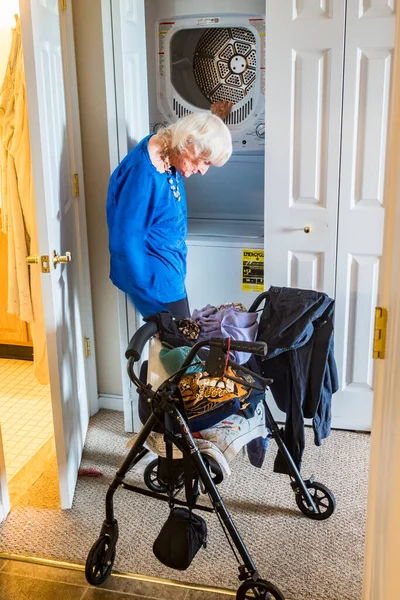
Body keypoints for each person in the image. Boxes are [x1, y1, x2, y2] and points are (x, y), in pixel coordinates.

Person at [106, 111, 233, 318]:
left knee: (183, 347)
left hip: (170, 281)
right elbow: (125, 244)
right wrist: (155, 311)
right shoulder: (143, 174)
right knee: (179, 348)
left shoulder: (169, 152)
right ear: (189, 143)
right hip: (157, 291)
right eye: (205, 162)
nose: (203, 171)